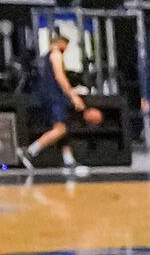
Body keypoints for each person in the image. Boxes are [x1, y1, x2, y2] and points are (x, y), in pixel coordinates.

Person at [21, 27, 101, 171]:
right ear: (60, 43)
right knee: (60, 129)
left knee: (64, 128)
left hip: (48, 96)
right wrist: (73, 96)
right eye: (66, 45)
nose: (66, 48)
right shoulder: (56, 54)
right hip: (54, 98)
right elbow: (60, 77)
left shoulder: (45, 59)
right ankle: (30, 151)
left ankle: (68, 159)